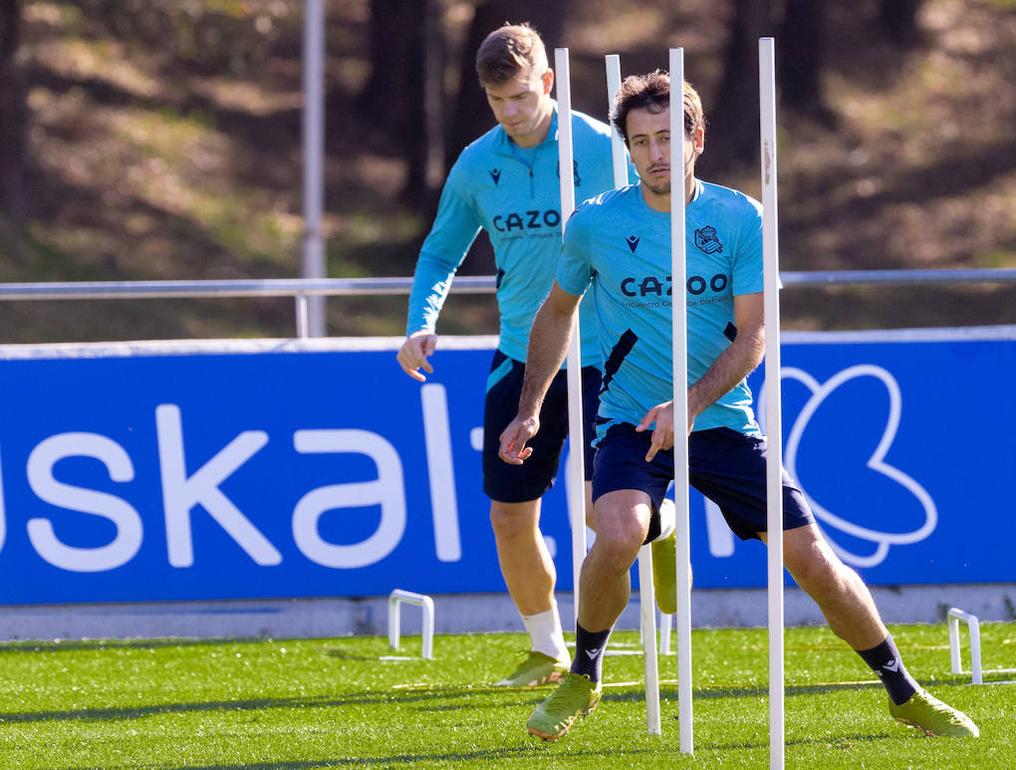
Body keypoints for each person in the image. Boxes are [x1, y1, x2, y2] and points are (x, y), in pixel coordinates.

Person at [500, 70, 979, 741]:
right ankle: (584, 675)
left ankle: (902, 690)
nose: (654, 153)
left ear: (697, 138)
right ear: (627, 149)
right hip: (630, 423)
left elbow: (756, 336)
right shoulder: (595, 225)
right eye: (639, 142)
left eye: (667, 137)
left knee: (813, 561)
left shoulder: (738, 218)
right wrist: (531, 407)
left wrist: (690, 405)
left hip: (722, 423)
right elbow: (555, 315)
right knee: (615, 532)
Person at [396, 23, 676, 688]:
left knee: (594, 510)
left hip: (611, 349)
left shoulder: (599, 146)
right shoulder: (477, 164)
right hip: (522, 353)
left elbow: (661, 211)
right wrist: (420, 321)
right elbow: (442, 249)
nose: (513, 113)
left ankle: (659, 527)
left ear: (547, 81)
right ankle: (547, 647)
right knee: (508, 513)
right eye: (498, 102)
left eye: (522, 96)